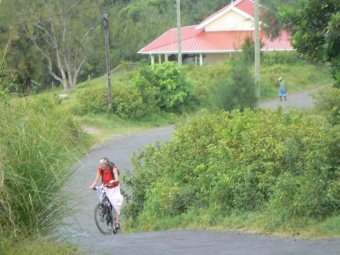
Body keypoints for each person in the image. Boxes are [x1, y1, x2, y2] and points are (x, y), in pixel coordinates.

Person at [89, 157, 123, 229]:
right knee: (101, 197)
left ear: (106, 165)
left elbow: (117, 179)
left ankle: (117, 222)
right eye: (100, 165)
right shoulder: (100, 170)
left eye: (102, 165)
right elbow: (96, 179)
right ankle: (103, 208)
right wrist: (93, 186)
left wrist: (113, 181)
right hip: (105, 185)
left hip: (114, 187)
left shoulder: (113, 169)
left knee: (116, 204)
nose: (100, 166)